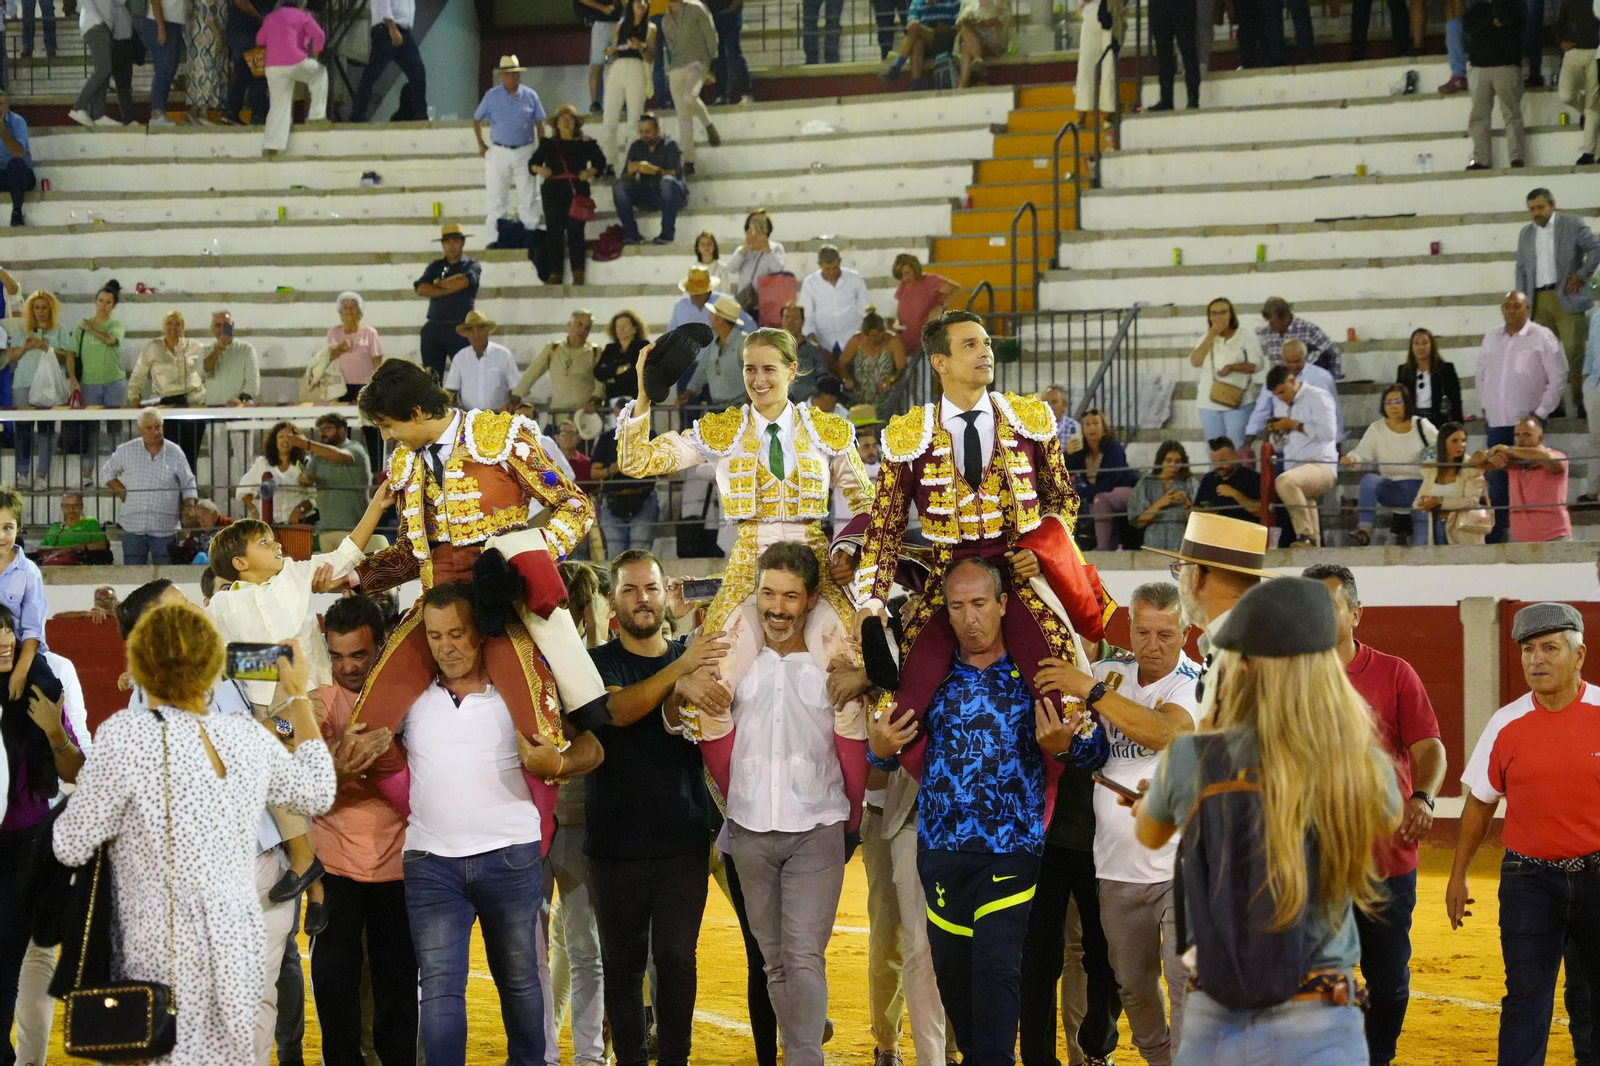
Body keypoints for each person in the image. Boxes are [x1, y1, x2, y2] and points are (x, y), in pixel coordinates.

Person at [55, 604, 334, 1066]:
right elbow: (317, 789)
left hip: (163, 911)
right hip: (243, 895)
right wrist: (298, 701)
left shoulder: (126, 735)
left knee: (167, 1027)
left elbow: (70, 843)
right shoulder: (244, 736)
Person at [1135, 578, 1399, 1064]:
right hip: (1321, 1011)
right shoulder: (1360, 765)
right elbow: (1385, 818)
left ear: (1244, 666)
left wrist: (1169, 795)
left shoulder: (1192, 757)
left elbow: (1149, 834)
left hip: (1217, 1013)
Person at [347, 360, 610, 847]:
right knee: (363, 734)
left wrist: (527, 559)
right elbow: (410, 553)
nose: (387, 438)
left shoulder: (503, 436)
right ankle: (425, 819)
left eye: (388, 425)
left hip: (503, 606)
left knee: (542, 741)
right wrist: (356, 577)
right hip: (435, 605)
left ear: (417, 411)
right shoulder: (405, 464)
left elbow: (576, 505)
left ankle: (536, 843)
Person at [869, 557, 1090, 1066]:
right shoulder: (928, 680)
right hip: (941, 852)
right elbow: (884, 753)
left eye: (979, 603)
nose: (970, 619)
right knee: (956, 986)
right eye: (957, 606)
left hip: (1012, 851)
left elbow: (1089, 748)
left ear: (1003, 603)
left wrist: (1064, 746)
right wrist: (879, 750)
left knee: (997, 972)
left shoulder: (1037, 675)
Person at [619, 326, 872, 741]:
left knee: (855, 680)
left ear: (792, 370)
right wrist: (644, 396)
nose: (758, 379)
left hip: (816, 567)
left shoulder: (827, 429)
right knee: (709, 688)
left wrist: (850, 548)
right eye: (749, 369)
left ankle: (852, 786)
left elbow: (868, 503)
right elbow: (637, 462)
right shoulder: (724, 431)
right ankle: (730, 786)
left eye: (768, 369)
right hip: (749, 569)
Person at [391, 584, 601, 1063]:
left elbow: (593, 747)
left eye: (457, 634)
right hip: (430, 863)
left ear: (481, 633)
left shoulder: (520, 690)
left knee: (521, 983)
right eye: (435, 636)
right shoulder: (406, 696)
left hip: (510, 856)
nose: (446, 647)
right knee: (439, 989)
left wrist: (559, 763)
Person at [712, 542, 868, 1066]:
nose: (777, 608)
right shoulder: (734, 661)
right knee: (774, 961)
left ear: (811, 599)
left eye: (790, 596)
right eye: (768, 594)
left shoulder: (835, 665)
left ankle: (804, 1057)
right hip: (748, 828)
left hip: (817, 826)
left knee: (802, 957)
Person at [1048, 581, 1201, 1066]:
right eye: (1143, 633)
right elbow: (1074, 735)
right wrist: (1061, 740)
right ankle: (1160, 1058)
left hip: (1182, 867)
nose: (1153, 646)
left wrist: (1091, 691)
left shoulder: (1195, 682)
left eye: (1166, 634)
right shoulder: (1108, 672)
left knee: (1185, 983)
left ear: (1186, 633)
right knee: (1132, 985)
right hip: (1116, 866)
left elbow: (1166, 732)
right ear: (1129, 628)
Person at [1303, 563, 1446, 1066]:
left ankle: (1378, 1056)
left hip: (1385, 858)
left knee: (1387, 980)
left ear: (1356, 614)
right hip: (1312, 860)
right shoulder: (1287, 678)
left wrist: (1423, 797)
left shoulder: (1394, 672)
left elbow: (1429, 747)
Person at [586, 550, 724, 1066]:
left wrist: (688, 659)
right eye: (629, 589)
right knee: (621, 966)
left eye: (650, 588)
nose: (641, 599)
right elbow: (618, 711)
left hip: (683, 839)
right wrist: (680, 668)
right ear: (612, 600)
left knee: (676, 959)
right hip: (614, 844)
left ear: (667, 594)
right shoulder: (596, 663)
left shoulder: (692, 656)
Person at [308, 595, 418, 1066]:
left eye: (359, 655)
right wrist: (335, 768)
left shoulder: (411, 692)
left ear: (381, 645)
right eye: (336, 656)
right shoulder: (315, 697)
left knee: (398, 984)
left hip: (401, 865)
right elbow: (292, 765)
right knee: (334, 983)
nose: (348, 667)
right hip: (335, 867)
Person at [0, 600, 80, 1066]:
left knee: (12, 963)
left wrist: (54, 732)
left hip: (25, 847)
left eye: (8, 630)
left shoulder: (44, 687)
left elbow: (75, 768)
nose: (5, 640)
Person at [1478, 290, 1565, 542]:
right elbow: (1481, 374)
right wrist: (1487, 406)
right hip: (1497, 424)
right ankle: (1497, 543)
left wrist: (1540, 414)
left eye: (1517, 306)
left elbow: (1559, 375)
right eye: (1507, 306)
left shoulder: (1541, 336)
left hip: (1527, 428)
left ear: (1527, 308)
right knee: (1496, 488)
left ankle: (1532, 538)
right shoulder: (1491, 336)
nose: (1511, 311)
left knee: (1530, 488)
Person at [1516, 189, 1600, 413]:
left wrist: (1582, 275)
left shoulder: (1572, 224)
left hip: (1568, 295)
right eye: (1532, 209)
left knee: (1574, 351)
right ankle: (1552, 405)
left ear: (1552, 204)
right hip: (1537, 300)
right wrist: (1522, 300)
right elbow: (1521, 269)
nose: (1536, 213)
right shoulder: (1526, 233)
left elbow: (1595, 248)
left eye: (1540, 207)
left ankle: (1580, 402)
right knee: (1542, 356)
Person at [1339, 382, 1437, 545]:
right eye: (1388, 402)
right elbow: (1362, 452)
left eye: (1398, 401)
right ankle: (1364, 529)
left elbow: (1442, 447)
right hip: (1392, 489)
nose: (1393, 406)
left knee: (1423, 543)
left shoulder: (1422, 424)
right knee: (1369, 480)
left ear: (1407, 403)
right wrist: (1352, 459)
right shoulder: (1376, 428)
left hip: (1422, 490)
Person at [101, 406, 198, 564]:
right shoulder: (126, 450)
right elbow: (106, 472)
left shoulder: (175, 452)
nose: (155, 432)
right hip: (133, 526)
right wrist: (122, 492)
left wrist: (189, 506)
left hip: (165, 527)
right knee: (133, 574)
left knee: (166, 575)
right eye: (149, 428)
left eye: (158, 427)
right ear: (140, 429)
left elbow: (189, 482)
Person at [529, 105, 607, 286]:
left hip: (577, 191)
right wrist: (541, 169)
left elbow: (600, 162)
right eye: (562, 119)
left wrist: (589, 172)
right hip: (552, 191)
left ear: (575, 124)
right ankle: (555, 273)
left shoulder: (586, 143)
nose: (566, 123)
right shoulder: (548, 144)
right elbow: (532, 164)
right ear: (556, 124)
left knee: (576, 231)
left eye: (570, 119)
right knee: (554, 232)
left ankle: (578, 273)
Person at [1264, 364, 1339, 547]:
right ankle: (1313, 546)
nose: (1281, 397)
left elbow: (1328, 433)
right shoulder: (1281, 405)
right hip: (1297, 467)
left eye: (1282, 392)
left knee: (1285, 482)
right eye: (1276, 395)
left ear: (1292, 381)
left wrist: (1295, 425)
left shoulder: (1318, 396)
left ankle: (1305, 535)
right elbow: (1279, 447)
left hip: (1321, 465)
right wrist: (1277, 433)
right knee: (1304, 500)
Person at [473, 55, 544, 244]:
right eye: (507, 74)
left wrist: (541, 149)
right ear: (501, 76)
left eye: (514, 74)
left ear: (519, 75)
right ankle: (495, 238)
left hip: (525, 149)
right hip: (499, 150)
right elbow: (476, 119)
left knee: (529, 194)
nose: (511, 77)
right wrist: (481, 145)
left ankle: (530, 234)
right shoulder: (491, 95)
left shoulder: (531, 95)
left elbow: (540, 122)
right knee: (496, 196)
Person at [6, 289, 73, 489]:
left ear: (51, 309)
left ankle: (42, 475)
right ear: (31, 309)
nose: (40, 311)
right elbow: (11, 356)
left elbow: (67, 356)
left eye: (44, 307)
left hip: (47, 384)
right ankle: (22, 474)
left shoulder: (60, 329)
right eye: (36, 307)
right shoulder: (23, 329)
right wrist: (25, 347)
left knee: (46, 429)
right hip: (23, 382)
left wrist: (46, 347)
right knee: (23, 429)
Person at [127, 309, 206, 471]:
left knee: (190, 456)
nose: (173, 327)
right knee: (169, 455)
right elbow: (138, 374)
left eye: (178, 324)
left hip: (192, 404)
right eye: (169, 323)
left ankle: (189, 486)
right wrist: (133, 396)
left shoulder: (196, 346)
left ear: (183, 327)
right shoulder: (152, 347)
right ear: (164, 326)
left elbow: (208, 371)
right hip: (165, 405)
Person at [70, 279, 128, 480]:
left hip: (114, 381)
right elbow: (71, 352)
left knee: (115, 428)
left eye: (108, 302)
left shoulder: (116, 324)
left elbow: (111, 339)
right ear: (95, 301)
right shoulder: (81, 326)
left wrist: (92, 329)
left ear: (113, 305)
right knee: (90, 429)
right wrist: (73, 378)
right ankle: (87, 472)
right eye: (101, 300)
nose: (103, 305)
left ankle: (117, 471)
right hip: (89, 383)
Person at [1483, 414, 1572, 542]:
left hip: (1554, 536)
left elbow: (1547, 458)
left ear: (1540, 438)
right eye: (1517, 435)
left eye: (1527, 435)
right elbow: (1477, 460)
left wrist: (1508, 450)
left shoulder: (1557, 456)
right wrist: (1491, 455)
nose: (1521, 439)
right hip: (1521, 539)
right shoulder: (1513, 462)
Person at [287, 414, 372, 545]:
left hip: (354, 527)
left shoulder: (355, 448)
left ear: (342, 430)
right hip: (326, 528)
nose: (323, 433)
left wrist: (306, 444)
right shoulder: (318, 458)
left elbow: (341, 456)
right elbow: (307, 479)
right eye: (320, 430)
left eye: (327, 428)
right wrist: (304, 479)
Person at [1244, 337, 1342, 449]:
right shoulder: (1274, 378)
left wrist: (1336, 442)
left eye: (1297, 361)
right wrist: (1248, 442)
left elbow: (1335, 413)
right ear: (1283, 359)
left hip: (1318, 445)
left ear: (1305, 357)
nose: (1293, 366)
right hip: (1287, 446)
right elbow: (1261, 411)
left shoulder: (1321, 377)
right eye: (1289, 362)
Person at [1190, 297, 1262, 449]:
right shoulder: (1205, 338)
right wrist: (1211, 336)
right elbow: (1195, 361)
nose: (1218, 317)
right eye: (1214, 313)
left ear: (1231, 314)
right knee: (1214, 449)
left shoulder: (1246, 335)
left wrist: (1233, 367)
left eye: (1223, 312)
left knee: (1236, 446)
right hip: (1209, 402)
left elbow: (1258, 365)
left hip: (1239, 401)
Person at [255, 0, 325, 154]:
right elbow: (319, 35)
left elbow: (260, 40)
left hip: (273, 66)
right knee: (320, 73)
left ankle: (272, 146)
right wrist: (316, 52)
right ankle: (317, 116)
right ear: (301, 5)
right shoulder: (303, 16)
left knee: (278, 105)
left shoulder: (271, 17)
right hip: (296, 61)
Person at [1065, 407, 1139, 552]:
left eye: (1096, 423)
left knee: (1100, 500)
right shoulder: (1081, 451)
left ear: (1104, 428)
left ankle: (1102, 548)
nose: (1092, 428)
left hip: (1127, 492)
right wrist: (1068, 454)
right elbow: (1063, 469)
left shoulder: (1114, 448)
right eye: (1087, 424)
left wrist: (1078, 492)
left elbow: (1109, 484)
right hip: (1100, 495)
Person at [414, 225, 482, 381]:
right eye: (447, 241)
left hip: (460, 326)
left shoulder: (471, 265)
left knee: (467, 375)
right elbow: (421, 288)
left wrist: (436, 285)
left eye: (455, 241)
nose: (451, 245)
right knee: (431, 378)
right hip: (435, 325)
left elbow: (462, 282)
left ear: (462, 242)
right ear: (442, 244)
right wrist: (447, 288)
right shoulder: (435, 266)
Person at [1463, 0, 1525, 169]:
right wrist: (1492, 22)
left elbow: (1512, 23)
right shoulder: (1477, 7)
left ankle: (1515, 158)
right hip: (1485, 66)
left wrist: (1486, 23)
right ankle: (1483, 159)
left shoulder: (1512, 5)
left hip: (1503, 64)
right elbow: (1469, 26)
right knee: (1481, 116)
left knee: (1510, 113)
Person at [661, 0, 720, 175]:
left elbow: (710, 35)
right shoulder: (665, 20)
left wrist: (711, 66)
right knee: (683, 116)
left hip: (697, 62)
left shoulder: (696, 8)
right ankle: (688, 160)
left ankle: (708, 124)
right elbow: (670, 48)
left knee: (690, 97)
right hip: (676, 67)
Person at [614, 114, 688, 245]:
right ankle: (632, 234)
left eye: (648, 132)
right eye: (641, 132)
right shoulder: (636, 146)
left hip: (672, 196)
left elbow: (677, 174)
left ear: (658, 130)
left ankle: (667, 234)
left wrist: (653, 170)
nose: (644, 135)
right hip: (648, 194)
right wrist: (631, 171)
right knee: (619, 185)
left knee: (667, 182)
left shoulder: (670, 145)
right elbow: (626, 177)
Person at [600, 0, 657, 171]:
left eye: (645, 1)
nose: (642, 4)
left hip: (637, 68)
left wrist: (641, 47)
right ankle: (609, 162)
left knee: (635, 119)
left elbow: (651, 57)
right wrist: (608, 53)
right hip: (617, 68)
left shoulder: (650, 28)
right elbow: (609, 55)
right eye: (638, 1)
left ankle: (631, 162)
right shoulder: (620, 26)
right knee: (609, 118)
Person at [514, 310, 602, 417]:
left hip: (584, 417)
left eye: (587, 328)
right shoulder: (553, 349)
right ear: (569, 324)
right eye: (579, 325)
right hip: (558, 414)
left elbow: (600, 384)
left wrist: (594, 400)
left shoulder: (595, 352)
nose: (583, 330)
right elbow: (532, 373)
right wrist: (516, 395)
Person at [1414, 421, 1489, 545]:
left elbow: (1472, 501)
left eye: (1463, 440)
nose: (1461, 445)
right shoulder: (1432, 469)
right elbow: (1417, 501)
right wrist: (1422, 502)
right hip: (1437, 526)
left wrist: (1440, 502)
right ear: (1443, 443)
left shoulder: (1471, 467)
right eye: (1455, 441)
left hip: (1463, 530)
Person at [350, 0, 425, 122]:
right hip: (387, 29)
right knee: (372, 74)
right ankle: (357, 115)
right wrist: (392, 28)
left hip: (403, 30)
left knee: (418, 74)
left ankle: (420, 116)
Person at [67, 0, 136, 127]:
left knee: (105, 70)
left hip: (102, 25)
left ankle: (98, 114)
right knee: (103, 69)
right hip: (96, 25)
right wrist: (98, 20)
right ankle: (79, 106)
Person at [238, 420, 316, 525]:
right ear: (274, 440)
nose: (285, 441)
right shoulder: (262, 463)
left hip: (298, 524)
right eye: (281, 437)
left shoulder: (305, 462)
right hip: (269, 525)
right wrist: (254, 510)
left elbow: (315, 497)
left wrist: (300, 509)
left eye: (289, 437)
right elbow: (243, 489)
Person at [800, 244, 870, 357]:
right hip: (822, 341)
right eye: (827, 269)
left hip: (852, 338)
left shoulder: (855, 279)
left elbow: (865, 309)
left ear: (840, 261)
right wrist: (811, 337)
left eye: (835, 268)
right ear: (820, 265)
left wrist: (864, 334)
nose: (832, 272)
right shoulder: (810, 283)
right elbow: (807, 315)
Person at [444, 310, 521, 413]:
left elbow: (516, 389)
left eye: (480, 329)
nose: (475, 334)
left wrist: (511, 405)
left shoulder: (503, 355)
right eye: (471, 330)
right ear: (466, 334)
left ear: (487, 331)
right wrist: (456, 410)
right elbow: (451, 390)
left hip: (498, 416)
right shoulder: (460, 358)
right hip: (469, 416)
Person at [839, 306, 907, 422]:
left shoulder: (893, 342)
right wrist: (846, 378)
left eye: (876, 336)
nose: (873, 340)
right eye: (868, 337)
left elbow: (901, 368)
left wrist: (890, 379)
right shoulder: (856, 341)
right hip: (861, 395)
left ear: (883, 331)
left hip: (885, 396)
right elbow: (841, 363)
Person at [1129, 440, 1196, 553]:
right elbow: (1139, 521)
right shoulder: (1147, 482)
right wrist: (1161, 503)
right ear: (1161, 461)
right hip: (1154, 543)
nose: (1173, 465)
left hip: (1181, 544)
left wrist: (1186, 502)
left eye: (1177, 461)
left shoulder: (1189, 483)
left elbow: (1197, 524)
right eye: (1169, 460)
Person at [683, 295, 749, 409]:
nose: (709, 317)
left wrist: (750, 399)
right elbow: (702, 370)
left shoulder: (744, 343)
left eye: (712, 314)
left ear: (720, 319)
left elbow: (754, 373)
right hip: (716, 407)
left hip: (740, 408)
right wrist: (689, 392)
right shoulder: (712, 342)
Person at [1256, 296, 1343, 378]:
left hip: (1306, 382)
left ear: (1285, 318)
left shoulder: (1308, 329)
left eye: (1273, 323)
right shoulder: (1265, 332)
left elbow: (1334, 351)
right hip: (1279, 383)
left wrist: (1332, 378)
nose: (1270, 326)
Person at [880, 0, 959, 90]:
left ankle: (896, 67)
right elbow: (911, 25)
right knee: (917, 44)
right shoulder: (917, 3)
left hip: (945, 41)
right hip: (926, 43)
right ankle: (915, 85)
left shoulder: (953, 2)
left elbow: (957, 28)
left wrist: (945, 29)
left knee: (915, 29)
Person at [1557, 0, 1600, 163]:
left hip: (1596, 52)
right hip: (1575, 52)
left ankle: (1589, 153)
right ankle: (1590, 114)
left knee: (1592, 106)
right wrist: (1563, 42)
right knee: (1566, 95)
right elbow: (1558, 24)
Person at [891, 253, 958, 356]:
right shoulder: (903, 285)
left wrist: (940, 306)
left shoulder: (931, 281)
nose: (905, 278)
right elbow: (900, 308)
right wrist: (897, 323)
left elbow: (957, 290)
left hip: (928, 342)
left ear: (915, 269)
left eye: (907, 273)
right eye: (901, 275)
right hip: (907, 342)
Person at [1396, 327, 1463, 426]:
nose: (1421, 347)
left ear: (1432, 345)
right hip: (1412, 422)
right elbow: (1399, 399)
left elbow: (1456, 401)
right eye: (1416, 343)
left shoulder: (1446, 369)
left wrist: (1458, 426)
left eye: (1425, 343)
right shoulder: (1403, 371)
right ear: (1411, 347)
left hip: (1439, 422)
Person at [327, 291, 385, 403]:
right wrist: (339, 349)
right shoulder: (334, 332)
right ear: (341, 312)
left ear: (359, 311)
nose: (349, 311)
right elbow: (328, 357)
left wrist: (376, 385)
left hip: (365, 385)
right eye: (345, 308)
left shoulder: (370, 332)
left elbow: (378, 362)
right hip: (340, 386)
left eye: (352, 307)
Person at [1192, 437, 1262, 523]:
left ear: (1235, 456)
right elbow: (1197, 510)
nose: (1218, 466)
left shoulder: (1252, 478)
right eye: (1215, 461)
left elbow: (1261, 510)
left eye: (1223, 461)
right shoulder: (1208, 479)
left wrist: (1235, 494)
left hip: (1243, 529)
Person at [141, 0, 187, 127]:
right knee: (164, 67)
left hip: (176, 23)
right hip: (161, 22)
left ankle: (161, 111)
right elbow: (155, 2)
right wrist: (161, 27)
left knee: (170, 67)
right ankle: (157, 113)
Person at [202, 309, 261, 406]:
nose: (222, 329)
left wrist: (239, 400)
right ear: (212, 329)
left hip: (239, 409)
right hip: (213, 409)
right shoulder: (206, 350)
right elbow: (204, 371)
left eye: (226, 325)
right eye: (218, 325)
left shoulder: (246, 350)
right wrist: (219, 348)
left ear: (232, 326)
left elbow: (253, 384)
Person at [1149, 0, 1200, 110]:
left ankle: (1193, 98)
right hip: (1160, 6)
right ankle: (1167, 99)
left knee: (1188, 49)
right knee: (1163, 54)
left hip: (1183, 5)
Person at [726, 210, 786, 303]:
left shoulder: (775, 248)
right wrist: (745, 248)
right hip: (745, 301)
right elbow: (731, 268)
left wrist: (767, 249)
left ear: (767, 227)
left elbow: (778, 270)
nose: (758, 224)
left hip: (766, 301)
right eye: (754, 221)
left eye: (761, 221)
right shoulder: (742, 249)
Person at [38, 489, 111, 563]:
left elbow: (102, 544)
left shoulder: (90, 522)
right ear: (62, 508)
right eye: (67, 506)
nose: (71, 510)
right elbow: (41, 549)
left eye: (75, 505)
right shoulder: (55, 527)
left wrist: (73, 549)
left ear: (81, 507)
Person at [595, 310, 649, 403]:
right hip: (613, 401)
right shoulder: (610, 349)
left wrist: (612, 375)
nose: (621, 329)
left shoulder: (643, 347)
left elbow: (637, 373)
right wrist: (617, 370)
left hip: (637, 400)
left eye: (625, 325)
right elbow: (598, 372)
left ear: (634, 329)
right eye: (618, 326)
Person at [0, 91, 35, 227]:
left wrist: (2, 129)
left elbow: (18, 152)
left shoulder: (17, 122)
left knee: (16, 164)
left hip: (22, 175)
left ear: (7, 106)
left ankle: (17, 213)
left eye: (0, 104)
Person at [955, 0, 1009, 86]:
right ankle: (978, 60)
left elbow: (1005, 18)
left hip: (992, 41)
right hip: (972, 37)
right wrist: (966, 22)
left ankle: (963, 84)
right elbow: (960, 20)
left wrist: (982, 23)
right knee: (964, 30)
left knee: (965, 46)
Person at [1043, 383, 1079, 448]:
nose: (1048, 406)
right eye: (1045, 402)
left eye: (1054, 402)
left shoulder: (1073, 427)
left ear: (1064, 405)